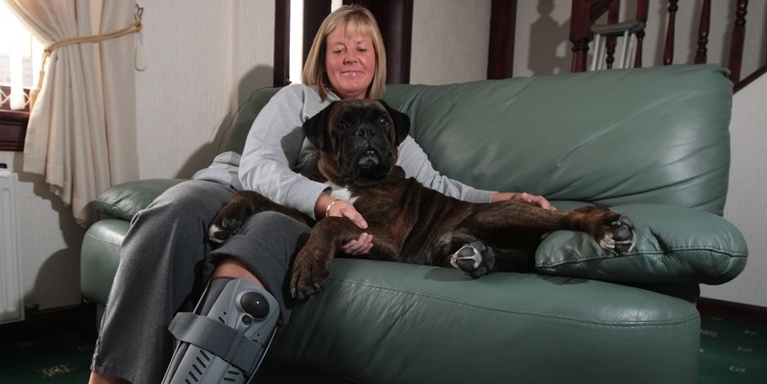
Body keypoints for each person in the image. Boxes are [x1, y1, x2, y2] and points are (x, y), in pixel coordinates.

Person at [88, 5, 552, 384]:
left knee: (268, 232)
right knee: (169, 212)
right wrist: (326, 201)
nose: (351, 57)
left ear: (376, 60)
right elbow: (255, 165)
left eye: (361, 48)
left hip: (286, 218)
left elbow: (438, 188)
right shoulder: (294, 100)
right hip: (235, 188)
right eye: (338, 48)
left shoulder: (384, 127)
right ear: (322, 58)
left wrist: (501, 198)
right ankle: (109, 379)